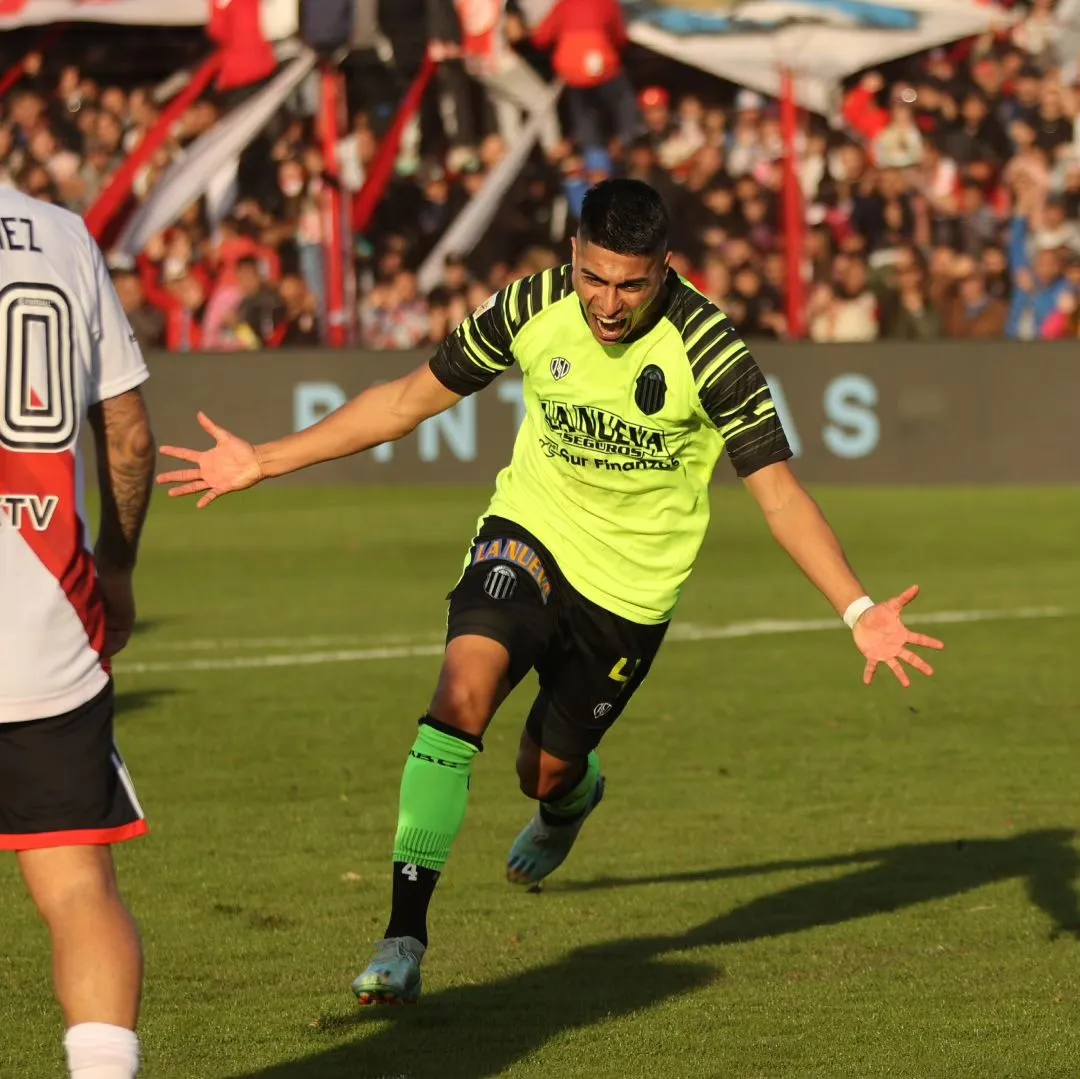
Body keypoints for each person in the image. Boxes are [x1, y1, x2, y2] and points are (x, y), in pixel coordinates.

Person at [156, 179, 944, 1008]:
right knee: (459, 693)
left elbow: (777, 493)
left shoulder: (709, 349)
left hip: (628, 593)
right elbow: (402, 403)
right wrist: (264, 461)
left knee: (545, 767)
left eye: (631, 284)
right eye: (594, 277)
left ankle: (569, 802)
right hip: (528, 534)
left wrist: (858, 609)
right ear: (573, 256)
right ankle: (402, 937)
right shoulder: (533, 303)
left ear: (664, 269)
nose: (608, 302)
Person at [0, 189, 156, 1076]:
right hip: (45, 620)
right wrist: (119, 565)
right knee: (77, 886)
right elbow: (128, 440)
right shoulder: (60, 233)